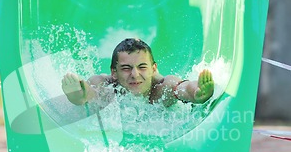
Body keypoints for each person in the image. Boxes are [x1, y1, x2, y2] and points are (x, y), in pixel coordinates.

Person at [62, 38, 214, 108]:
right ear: (114, 72)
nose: (134, 74)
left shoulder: (162, 87)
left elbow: (183, 88)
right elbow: (92, 92)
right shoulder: (106, 85)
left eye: (142, 67)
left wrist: (197, 93)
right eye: (126, 68)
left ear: (153, 69)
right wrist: (80, 94)